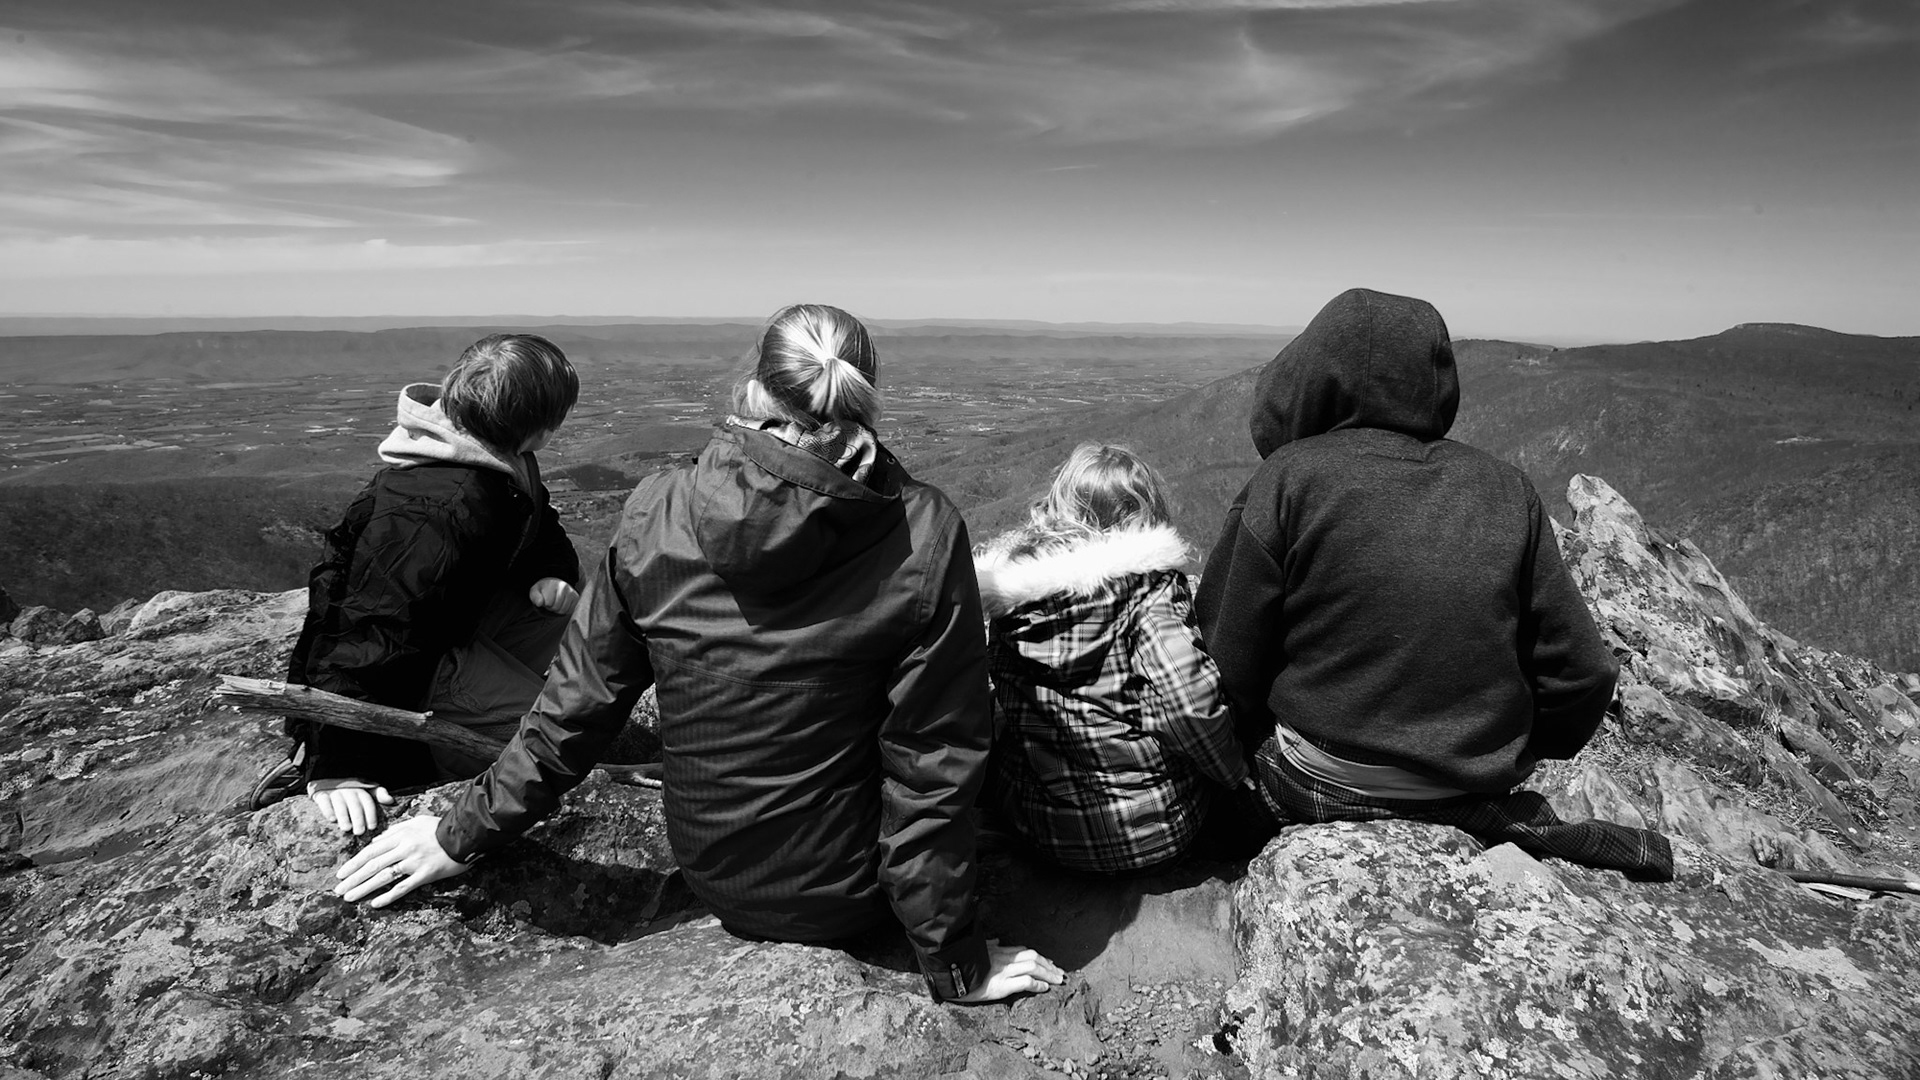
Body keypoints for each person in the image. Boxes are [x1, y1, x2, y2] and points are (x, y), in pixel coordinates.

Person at [333, 304, 1064, 1004]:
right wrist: (953, 960)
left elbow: (574, 707)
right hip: (849, 897)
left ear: (752, 389)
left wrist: (458, 833)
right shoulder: (922, 531)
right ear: (864, 398)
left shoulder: (658, 507)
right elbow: (934, 760)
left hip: (714, 870)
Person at [1194, 287, 1672, 879]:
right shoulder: (1508, 490)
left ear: (1306, 378)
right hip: (1471, 794)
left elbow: (1224, 657)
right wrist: (1503, 750)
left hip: (1313, 779)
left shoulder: (1287, 481)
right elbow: (1584, 674)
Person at [269, 333, 584, 835]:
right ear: (540, 428)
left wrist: (549, 573)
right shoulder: (436, 509)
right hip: (415, 658)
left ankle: (487, 695)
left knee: (572, 593)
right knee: (553, 743)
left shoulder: (495, 457)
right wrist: (338, 762)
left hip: (445, 629)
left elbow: (539, 524)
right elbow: (368, 626)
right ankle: (426, 756)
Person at [973, 443, 1250, 874]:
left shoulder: (1009, 600)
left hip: (1046, 831)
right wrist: (1235, 776)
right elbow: (1190, 705)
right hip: (1158, 830)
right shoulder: (1150, 590)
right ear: (1144, 508)